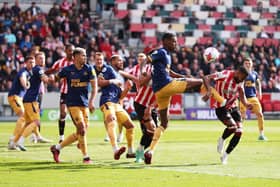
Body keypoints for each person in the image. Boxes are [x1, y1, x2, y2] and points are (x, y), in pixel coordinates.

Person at [143, 32, 226, 164]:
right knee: (201, 81)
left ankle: (150, 151)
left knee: (164, 123)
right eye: (173, 41)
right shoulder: (162, 52)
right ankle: (221, 101)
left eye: (176, 41)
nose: (176, 44)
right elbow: (146, 59)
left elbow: (169, 72)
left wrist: (180, 76)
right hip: (167, 85)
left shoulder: (166, 56)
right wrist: (143, 70)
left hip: (160, 92)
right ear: (165, 41)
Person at [50, 47, 97, 164]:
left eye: (85, 55)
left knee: (82, 131)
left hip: (84, 104)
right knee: (81, 128)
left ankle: (57, 148)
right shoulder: (67, 70)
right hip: (72, 103)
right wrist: (51, 79)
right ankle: (86, 157)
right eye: (83, 55)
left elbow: (95, 87)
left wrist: (91, 101)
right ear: (75, 57)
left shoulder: (89, 69)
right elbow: (55, 78)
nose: (85, 57)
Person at [204, 66, 252, 164]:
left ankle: (225, 156)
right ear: (238, 72)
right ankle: (222, 139)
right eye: (242, 77)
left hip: (233, 107)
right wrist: (209, 89)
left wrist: (246, 103)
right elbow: (206, 77)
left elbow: (241, 93)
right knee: (233, 127)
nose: (242, 80)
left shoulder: (240, 81)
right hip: (221, 107)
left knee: (239, 131)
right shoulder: (225, 74)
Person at [94, 52, 135, 160]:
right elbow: (99, 82)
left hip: (116, 104)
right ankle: (115, 149)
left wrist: (127, 88)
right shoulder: (107, 69)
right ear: (112, 62)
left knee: (130, 126)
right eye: (119, 60)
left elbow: (121, 96)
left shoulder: (119, 76)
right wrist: (112, 81)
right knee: (112, 122)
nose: (121, 62)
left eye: (122, 60)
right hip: (107, 101)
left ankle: (130, 152)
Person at [10, 52, 54, 151]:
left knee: (27, 123)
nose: (42, 60)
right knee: (36, 122)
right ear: (36, 60)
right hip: (31, 100)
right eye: (40, 58)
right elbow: (45, 79)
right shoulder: (38, 69)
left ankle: (13, 142)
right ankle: (21, 141)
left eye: (43, 58)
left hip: (26, 99)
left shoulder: (32, 70)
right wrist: (51, 78)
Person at [128, 53, 158, 163]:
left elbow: (163, 94)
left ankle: (140, 150)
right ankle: (140, 154)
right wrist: (151, 75)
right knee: (150, 130)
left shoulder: (165, 72)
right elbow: (140, 82)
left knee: (154, 133)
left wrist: (152, 107)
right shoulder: (148, 69)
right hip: (141, 103)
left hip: (151, 106)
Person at [45, 44, 74, 143]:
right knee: (63, 114)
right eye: (70, 50)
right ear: (66, 51)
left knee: (75, 116)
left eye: (73, 51)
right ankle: (61, 137)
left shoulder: (77, 62)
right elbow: (51, 70)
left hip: (76, 92)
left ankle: (79, 134)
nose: (71, 52)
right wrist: (43, 74)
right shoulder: (60, 62)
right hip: (65, 92)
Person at [7, 56, 35, 150]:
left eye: (33, 62)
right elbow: (22, 79)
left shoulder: (30, 73)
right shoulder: (23, 72)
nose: (32, 64)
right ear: (25, 63)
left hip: (20, 98)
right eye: (30, 62)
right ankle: (13, 140)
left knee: (27, 119)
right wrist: (26, 85)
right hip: (15, 97)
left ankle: (15, 141)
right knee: (23, 116)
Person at [240, 58, 267, 140]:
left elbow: (258, 82)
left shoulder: (254, 73)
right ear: (243, 64)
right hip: (243, 98)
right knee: (242, 117)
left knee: (260, 114)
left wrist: (260, 92)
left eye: (249, 63)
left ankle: (261, 134)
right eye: (246, 63)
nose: (247, 64)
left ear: (251, 64)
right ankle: (238, 134)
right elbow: (239, 85)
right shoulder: (240, 73)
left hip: (253, 97)